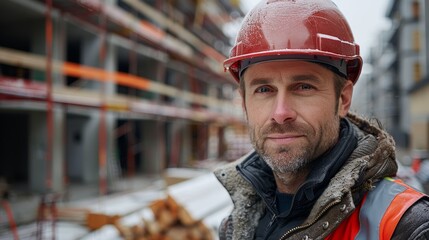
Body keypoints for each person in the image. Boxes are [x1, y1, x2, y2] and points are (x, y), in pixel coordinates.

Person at [214, 0, 429, 239]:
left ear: (343, 99)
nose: (280, 112)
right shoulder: (235, 226)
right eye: (264, 89)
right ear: (244, 102)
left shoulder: (404, 226)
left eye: (304, 87)